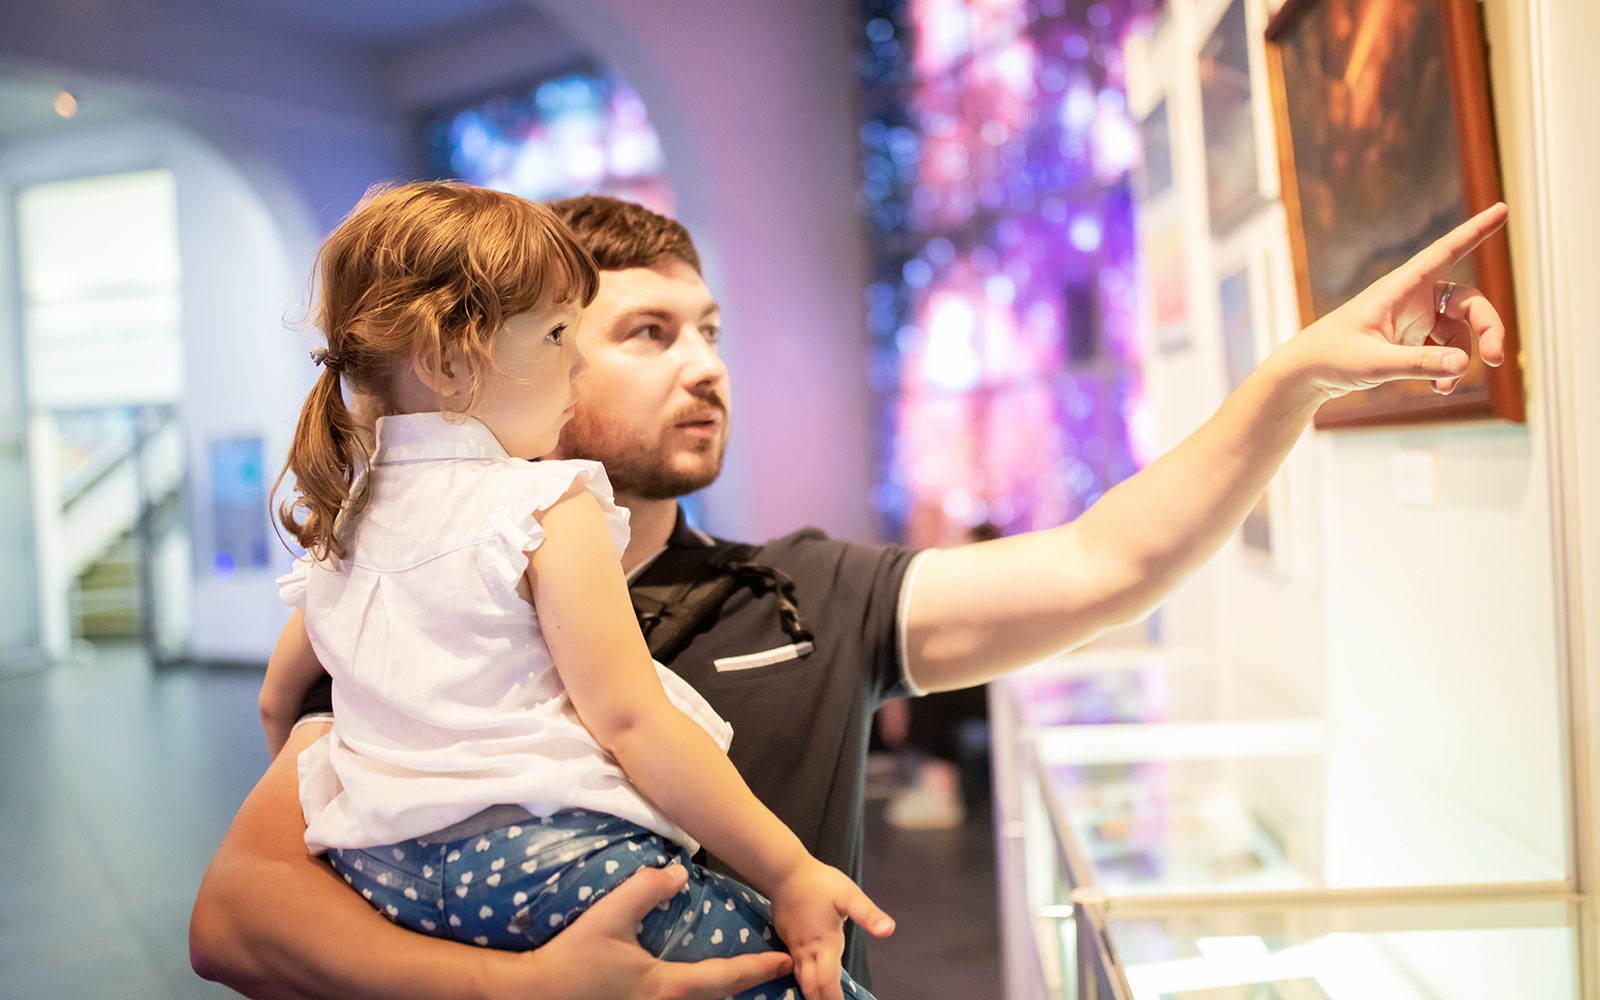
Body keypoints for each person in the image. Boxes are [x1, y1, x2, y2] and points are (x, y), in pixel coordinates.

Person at [191, 192, 1510, 1000]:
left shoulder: (805, 596)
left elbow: (1106, 566)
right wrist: (521, 992)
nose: (706, 368)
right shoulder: (396, 610)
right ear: (496, 360)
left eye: (709, 329)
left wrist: (1289, 382)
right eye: (645, 334)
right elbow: (237, 921)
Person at [251, 181, 894, 1000]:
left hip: (388, 879)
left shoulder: (352, 519)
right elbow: (633, 722)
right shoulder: (543, 504)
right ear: (449, 361)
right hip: (557, 864)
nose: (577, 363)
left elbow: (282, 704)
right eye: (558, 334)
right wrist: (794, 870)